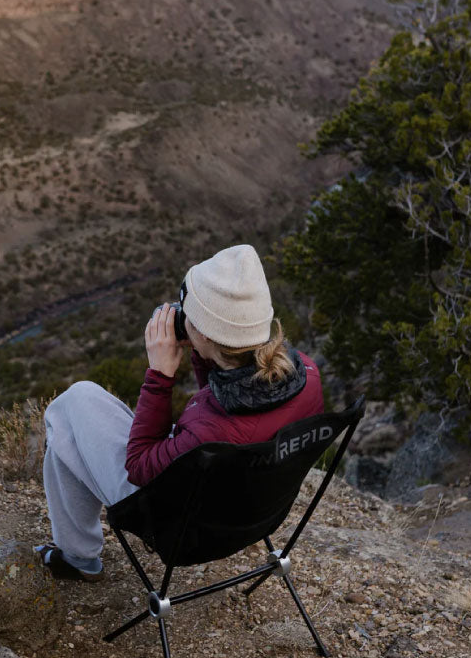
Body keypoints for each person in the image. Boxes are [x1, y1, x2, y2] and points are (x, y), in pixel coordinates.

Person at [35, 244, 324, 581]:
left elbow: (139, 467)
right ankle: (75, 554)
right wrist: (205, 352)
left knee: (73, 406)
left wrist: (160, 375)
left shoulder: (209, 430)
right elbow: (223, 403)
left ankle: (77, 558)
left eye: (189, 314)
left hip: (184, 529)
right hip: (251, 512)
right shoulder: (306, 373)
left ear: (205, 332)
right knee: (69, 432)